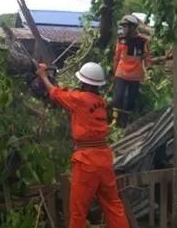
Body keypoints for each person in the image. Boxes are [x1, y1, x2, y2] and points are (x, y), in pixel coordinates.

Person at [36, 61, 130, 228]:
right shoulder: (101, 102)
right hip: (104, 158)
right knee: (113, 205)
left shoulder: (79, 99)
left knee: (78, 211)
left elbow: (55, 93)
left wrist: (43, 76)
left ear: (83, 82)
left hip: (87, 161)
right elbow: (70, 95)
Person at [111, 14, 150, 127]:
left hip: (135, 74)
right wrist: (114, 72)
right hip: (121, 72)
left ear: (133, 27)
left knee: (131, 100)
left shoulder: (143, 41)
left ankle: (125, 122)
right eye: (123, 27)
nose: (124, 29)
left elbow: (147, 57)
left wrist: (148, 70)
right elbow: (117, 57)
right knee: (117, 97)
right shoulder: (121, 40)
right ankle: (115, 120)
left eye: (126, 27)